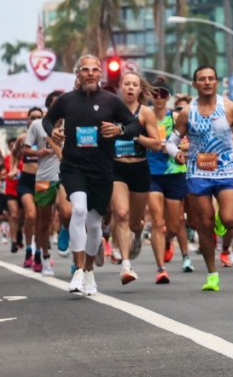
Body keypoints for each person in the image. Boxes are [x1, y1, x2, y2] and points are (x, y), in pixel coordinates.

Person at [44, 55, 142, 296]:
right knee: (78, 210)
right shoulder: (66, 100)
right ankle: (78, 269)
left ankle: (89, 270)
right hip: (74, 166)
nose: (90, 73)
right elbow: (47, 121)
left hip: (101, 169)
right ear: (77, 73)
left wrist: (119, 129)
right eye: (85, 69)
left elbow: (134, 126)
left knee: (95, 224)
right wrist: (53, 132)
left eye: (94, 70)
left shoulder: (111, 101)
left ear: (100, 74)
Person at [165, 65, 233, 292]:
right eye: (202, 79)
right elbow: (170, 142)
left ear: (217, 82)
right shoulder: (187, 113)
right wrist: (177, 153)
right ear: (195, 84)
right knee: (204, 223)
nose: (207, 82)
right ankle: (212, 274)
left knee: (230, 219)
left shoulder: (230, 108)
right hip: (198, 172)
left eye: (211, 78)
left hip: (226, 170)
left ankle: (222, 220)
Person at [111, 72, 160, 285]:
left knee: (135, 222)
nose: (130, 87)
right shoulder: (111, 110)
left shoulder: (145, 113)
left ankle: (138, 236)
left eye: (135, 84)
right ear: (120, 87)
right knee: (121, 213)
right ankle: (126, 265)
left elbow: (157, 144)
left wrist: (135, 135)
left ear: (140, 89)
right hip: (117, 168)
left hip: (139, 168)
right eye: (127, 84)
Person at [147, 83, 194, 279]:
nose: (158, 98)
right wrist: (151, 144)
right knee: (157, 221)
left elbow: (191, 143)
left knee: (174, 225)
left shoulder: (175, 117)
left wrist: (173, 148)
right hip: (151, 173)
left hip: (174, 172)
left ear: (168, 97)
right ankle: (160, 269)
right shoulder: (145, 116)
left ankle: (167, 240)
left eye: (162, 94)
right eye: (155, 94)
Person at [24, 94, 64, 276]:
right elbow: (26, 149)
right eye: (55, 103)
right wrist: (39, 152)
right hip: (44, 178)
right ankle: (45, 258)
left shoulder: (71, 123)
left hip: (66, 177)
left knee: (66, 211)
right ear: (48, 106)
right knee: (44, 221)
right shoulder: (37, 125)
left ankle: (65, 235)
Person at [18, 108, 42, 271]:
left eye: (39, 117)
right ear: (27, 119)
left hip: (42, 180)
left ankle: (38, 253)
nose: (35, 120)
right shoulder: (22, 138)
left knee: (40, 219)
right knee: (31, 215)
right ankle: (28, 250)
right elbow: (14, 155)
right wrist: (14, 168)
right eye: (32, 117)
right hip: (26, 180)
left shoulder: (45, 135)